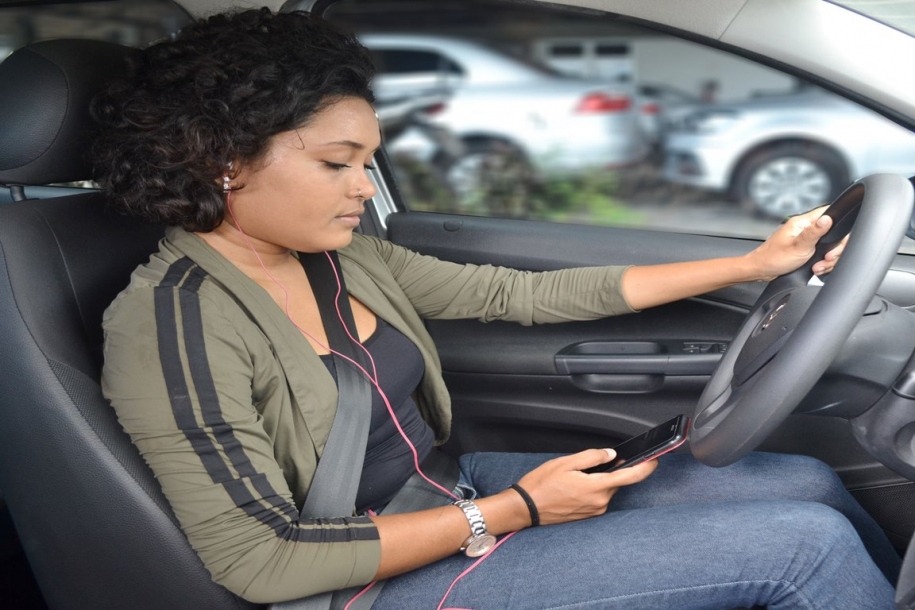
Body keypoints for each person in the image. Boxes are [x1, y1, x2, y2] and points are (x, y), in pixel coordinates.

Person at [93, 8, 901, 610]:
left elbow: (519, 294)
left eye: (368, 163)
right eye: (338, 163)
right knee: (805, 548)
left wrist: (754, 264)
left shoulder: (341, 259)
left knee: (806, 483)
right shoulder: (171, 325)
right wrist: (516, 510)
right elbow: (262, 559)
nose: (362, 190)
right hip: (369, 583)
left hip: (446, 494)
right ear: (223, 163)